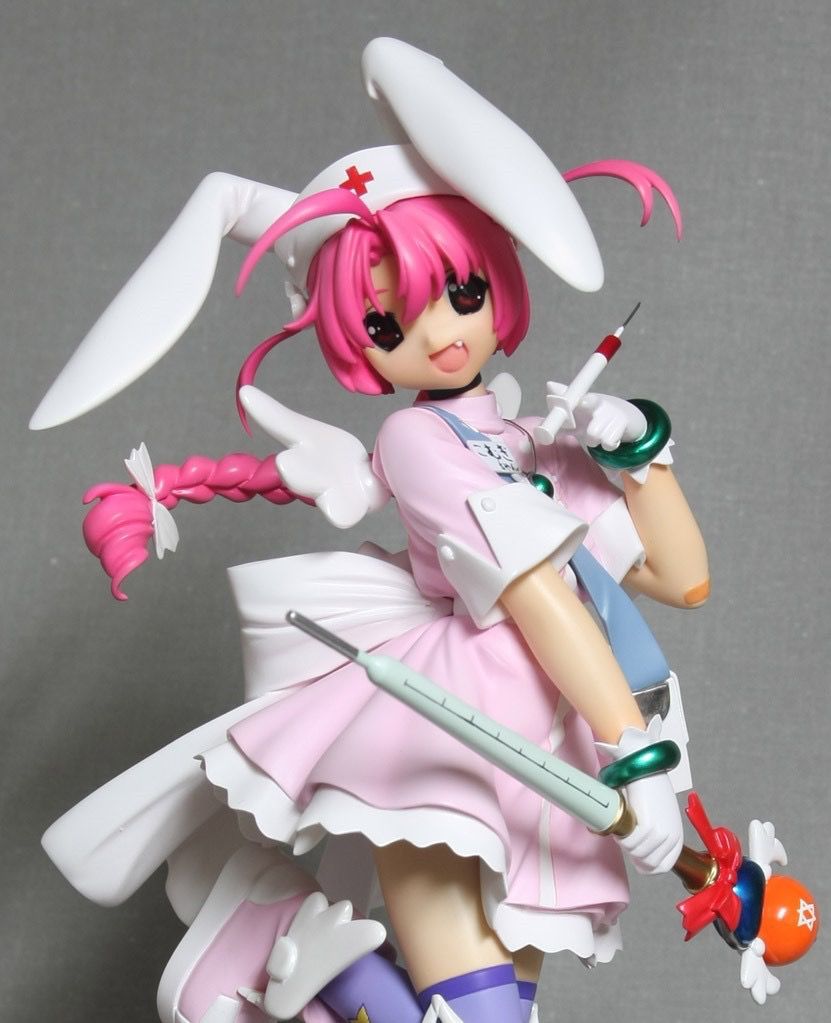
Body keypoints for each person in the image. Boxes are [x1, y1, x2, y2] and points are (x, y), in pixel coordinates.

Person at [32, 38, 709, 1023]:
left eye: (462, 294)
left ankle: (300, 951)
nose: (441, 335)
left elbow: (678, 580)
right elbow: (536, 596)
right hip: (460, 730)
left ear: (498, 279)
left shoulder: (534, 438)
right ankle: (285, 939)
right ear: (358, 344)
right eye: (389, 325)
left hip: (554, 748)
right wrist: (633, 757)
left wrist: (641, 450)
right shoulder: (417, 441)